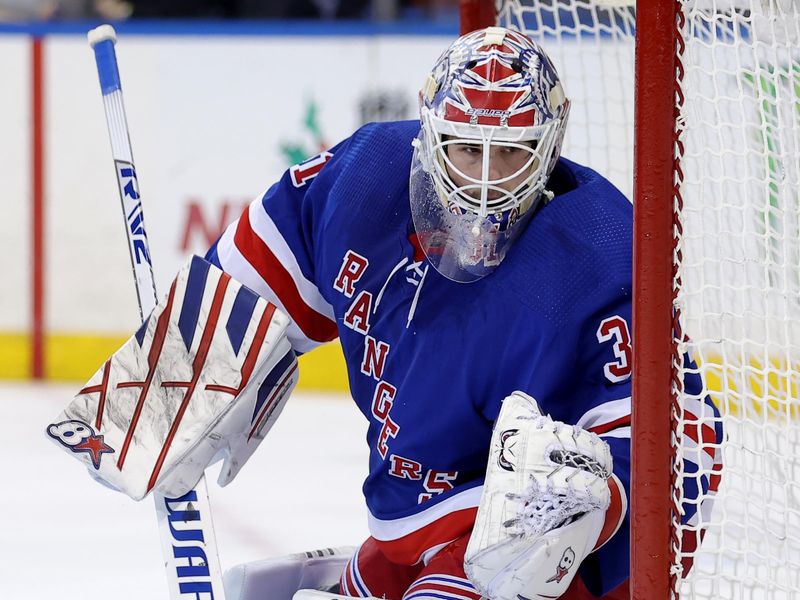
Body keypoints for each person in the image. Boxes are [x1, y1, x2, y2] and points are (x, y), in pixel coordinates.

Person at [48, 25, 720, 600]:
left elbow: (691, 449)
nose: (484, 181)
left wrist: (595, 494)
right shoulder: (363, 179)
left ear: (548, 148)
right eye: (466, 148)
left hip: (513, 547)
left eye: (510, 154)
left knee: (518, 537)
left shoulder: (601, 258)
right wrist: (174, 383)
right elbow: (251, 276)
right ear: (429, 132)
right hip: (407, 516)